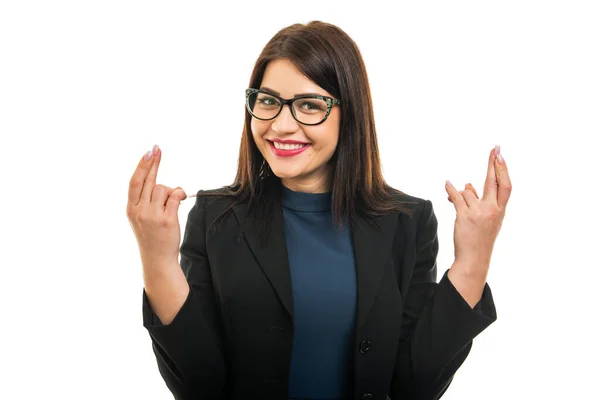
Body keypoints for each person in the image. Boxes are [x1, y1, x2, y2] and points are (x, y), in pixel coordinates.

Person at [126, 21, 512, 400]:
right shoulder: (215, 216)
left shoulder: (407, 222)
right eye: (267, 100)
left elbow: (414, 386)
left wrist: (472, 261)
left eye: (309, 105)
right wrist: (158, 261)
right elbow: (201, 387)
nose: (280, 124)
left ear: (351, 114)